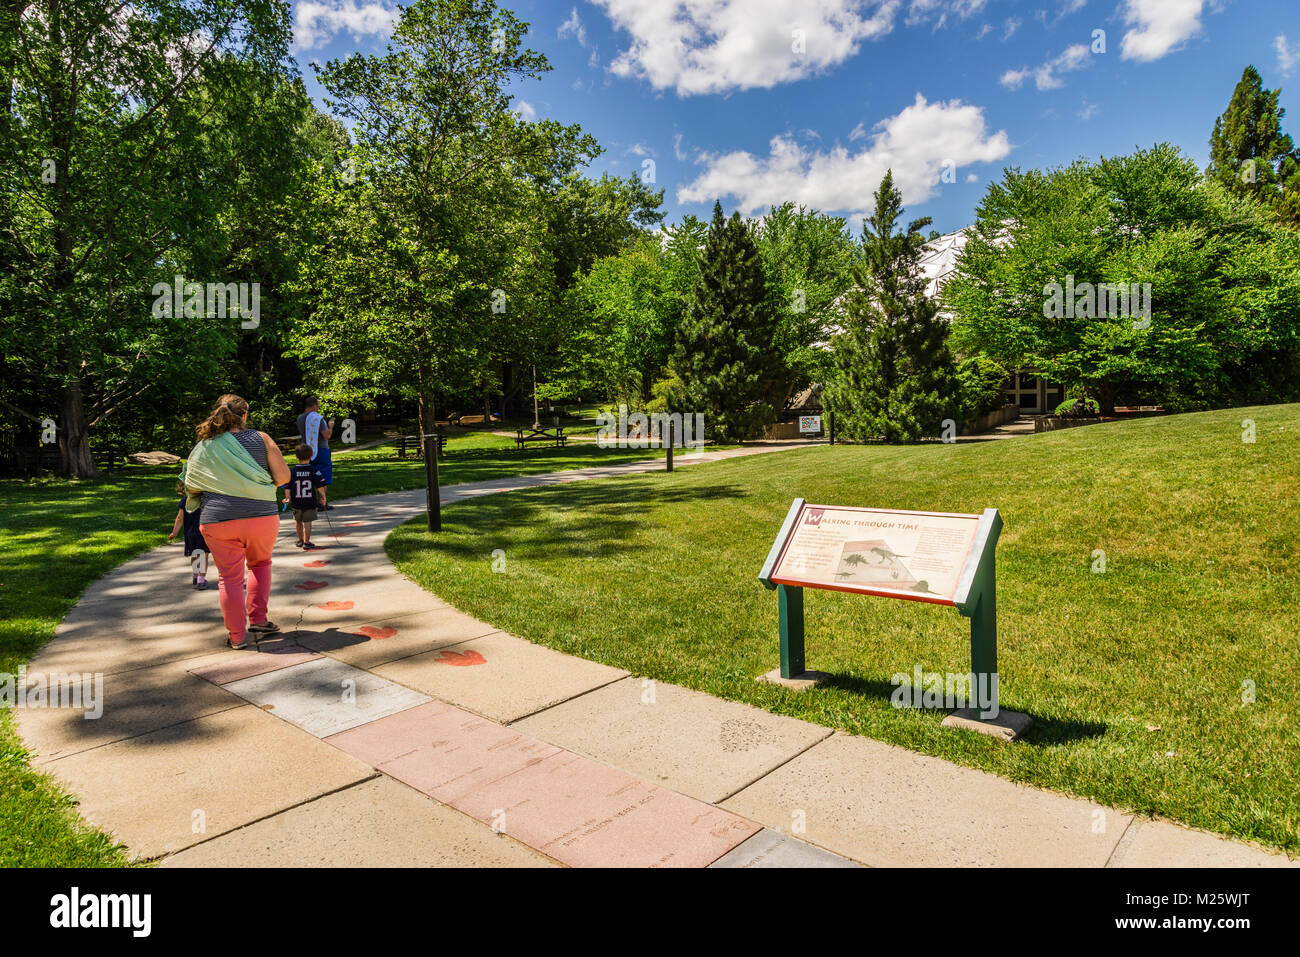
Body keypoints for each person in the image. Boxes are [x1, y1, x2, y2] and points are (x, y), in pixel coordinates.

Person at [184, 394, 291, 650]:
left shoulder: (203, 446)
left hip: (218, 520)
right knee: (260, 564)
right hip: (261, 516)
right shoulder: (261, 438)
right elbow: (283, 477)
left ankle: (236, 637)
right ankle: (259, 620)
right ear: (244, 415)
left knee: (228, 578)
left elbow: (192, 485)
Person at [167, 479, 210, 589]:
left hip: (190, 533)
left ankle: (196, 575)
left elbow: (180, 518)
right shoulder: (205, 501)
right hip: (203, 532)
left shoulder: (185, 501)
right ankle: (201, 580)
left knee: (195, 554)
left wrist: (174, 532)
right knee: (203, 555)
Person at [285, 443, 326, 549]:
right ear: (311, 455)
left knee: (298, 521)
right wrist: (323, 497)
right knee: (307, 522)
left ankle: (299, 540)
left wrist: (287, 497)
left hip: (296, 501)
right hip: (309, 501)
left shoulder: (292, 471)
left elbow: (287, 486)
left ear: (296, 456)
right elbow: (320, 486)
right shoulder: (313, 470)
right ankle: (306, 542)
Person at [296, 396, 334, 510]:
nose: (318, 409)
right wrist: (330, 427)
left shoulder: (300, 418)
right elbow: (326, 435)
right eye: (317, 406)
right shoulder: (318, 419)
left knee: (308, 475)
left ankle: (310, 503)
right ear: (313, 406)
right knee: (323, 476)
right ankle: (322, 502)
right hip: (321, 449)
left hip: (305, 450)